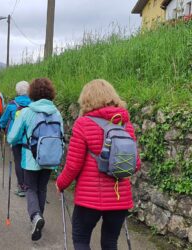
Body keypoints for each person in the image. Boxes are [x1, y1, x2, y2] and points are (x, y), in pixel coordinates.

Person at [56, 79, 140, 250]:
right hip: (119, 198)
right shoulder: (125, 124)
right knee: (110, 243)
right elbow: (135, 164)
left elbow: (73, 165)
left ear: (86, 99)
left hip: (89, 200)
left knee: (81, 239)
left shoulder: (83, 124)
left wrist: (61, 183)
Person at [7, 78, 64, 241]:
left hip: (30, 158)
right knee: (42, 188)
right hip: (50, 157)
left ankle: (35, 216)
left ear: (32, 93)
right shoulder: (56, 112)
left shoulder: (27, 112)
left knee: (30, 188)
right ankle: (39, 218)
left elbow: (13, 137)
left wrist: (13, 139)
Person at [0, 81, 31, 197]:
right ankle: (30, 186)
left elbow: (3, 121)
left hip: (16, 138)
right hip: (29, 138)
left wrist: (4, 129)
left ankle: (21, 186)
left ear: (17, 91)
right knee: (28, 161)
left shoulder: (12, 104)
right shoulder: (33, 104)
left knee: (18, 161)